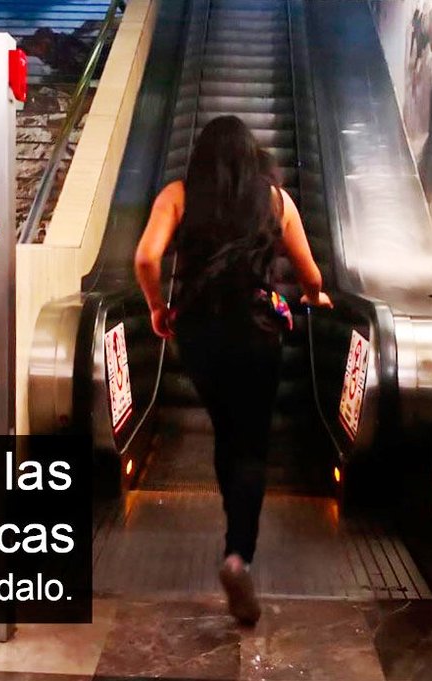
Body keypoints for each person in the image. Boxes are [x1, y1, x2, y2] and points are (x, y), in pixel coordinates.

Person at [133, 116, 331, 624]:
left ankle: (233, 534)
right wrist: (313, 296)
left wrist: (158, 307)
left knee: (226, 431)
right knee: (252, 444)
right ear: (250, 155)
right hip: (256, 330)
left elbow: (146, 259)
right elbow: (309, 272)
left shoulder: (177, 194)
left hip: (199, 331)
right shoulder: (274, 200)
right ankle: (238, 553)